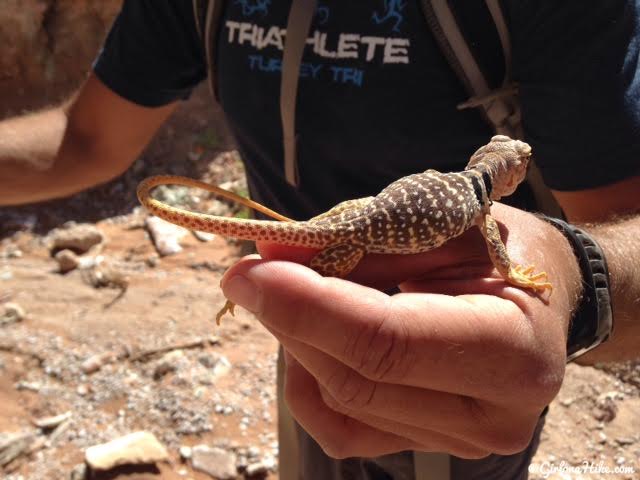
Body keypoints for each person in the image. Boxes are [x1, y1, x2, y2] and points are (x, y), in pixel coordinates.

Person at [1, 1, 639, 479]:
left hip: (465, 381)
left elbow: (612, 234)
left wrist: (578, 272)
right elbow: (83, 139)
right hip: (304, 331)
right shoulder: (478, 209)